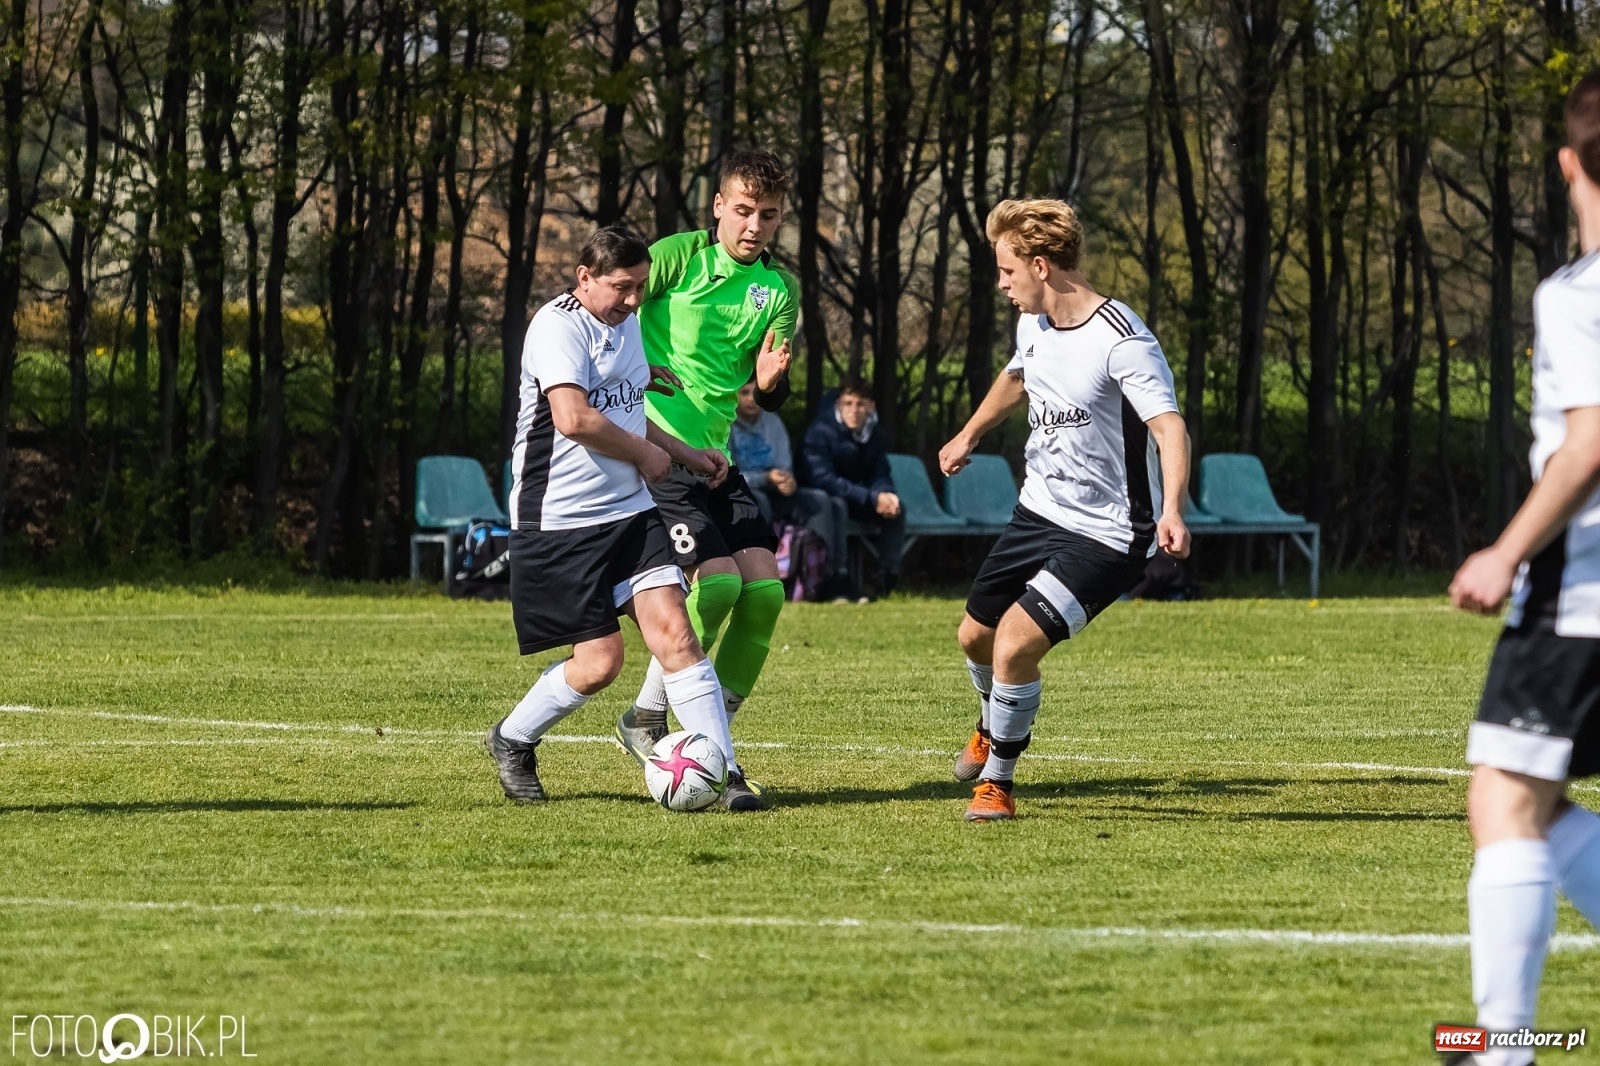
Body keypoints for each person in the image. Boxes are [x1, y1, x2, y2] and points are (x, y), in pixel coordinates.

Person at [937, 198, 1191, 822]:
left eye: (1006, 271)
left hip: (1111, 531)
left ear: (1042, 265)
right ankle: (990, 719)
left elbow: (1170, 428)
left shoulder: (1123, 340)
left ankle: (997, 780)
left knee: (1016, 646)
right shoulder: (1035, 323)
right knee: (974, 637)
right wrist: (969, 433)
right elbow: (1019, 377)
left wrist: (1175, 509)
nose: (1001, 285)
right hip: (1040, 511)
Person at [1444, 70, 1600, 1066]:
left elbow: (1587, 441)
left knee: (1502, 795)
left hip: (1581, 593)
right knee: (1535, 801)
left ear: (1566, 162)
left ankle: (1497, 1047)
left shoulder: (1577, 295)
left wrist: (1506, 549)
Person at [485, 225, 745, 807]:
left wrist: (683, 453)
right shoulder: (556, 326)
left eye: (640, 288)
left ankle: (723, 772)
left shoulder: (624, 324)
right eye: (621, 288)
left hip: (630, 511)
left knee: (676, 633)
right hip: (559, 519)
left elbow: (626, 412)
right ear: (584, 278)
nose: (633, 301)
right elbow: (574, 417)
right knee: (600, 662)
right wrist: (650, 456)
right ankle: (511, 739)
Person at [613, 149, 800, 811]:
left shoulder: (777, 291)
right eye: (744, 210)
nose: (754, 225)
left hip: (717, 460)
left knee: (766, 596)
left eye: (768, 215)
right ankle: (691, 740)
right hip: (660, 452)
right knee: (718, 584)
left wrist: (773, 386)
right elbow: (613, 310)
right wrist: (633, 372)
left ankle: (684, 735)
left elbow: (770, 390)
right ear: (718, 206)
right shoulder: (677, 256)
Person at [728, 381, 846, 581]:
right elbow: (730, 473)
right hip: (742, 490)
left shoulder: (773, 422)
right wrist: (765, 478)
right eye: (744, 392)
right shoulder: (726, 424)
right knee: (759, 502)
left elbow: (784, 465)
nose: (750, 399)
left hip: (775, 488)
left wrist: (787, 480)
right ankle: (760, 574)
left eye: (755, 392)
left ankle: (827, 575)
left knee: (820, 500)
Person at [798, 378, 905, 598]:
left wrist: (885, 494)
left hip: (855, 497)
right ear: (838, 405)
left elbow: (879, 472)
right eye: (847, 404)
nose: (854, 410)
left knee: (897, 507)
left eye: (860, 404)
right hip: (819, 499)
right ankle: (840, 578)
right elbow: (822, 479)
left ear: (871, 406)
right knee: (836, 505)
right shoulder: (819, 432)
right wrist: (871, 497)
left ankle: (887, 578)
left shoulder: (875, 435)